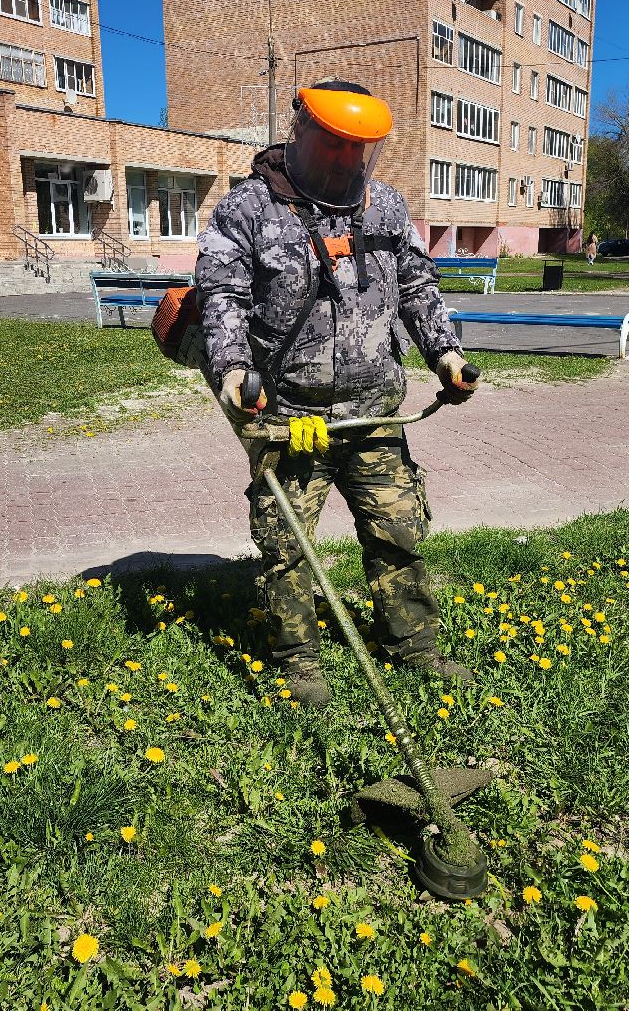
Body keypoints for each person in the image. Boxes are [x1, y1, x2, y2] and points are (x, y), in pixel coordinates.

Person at [195, 80, 478, 708]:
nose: (349, 162)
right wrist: (235, 369)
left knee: (397, 531)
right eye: (336, 147)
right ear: (302, 131)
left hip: (374, 411)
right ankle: (297, 662)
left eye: (361, 150)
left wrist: (446, 354)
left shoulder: (385, 209)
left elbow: (416, 288)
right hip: (289, 414)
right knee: (287, 545)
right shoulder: (248, 210)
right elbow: (222, 299)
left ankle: (412, 644)